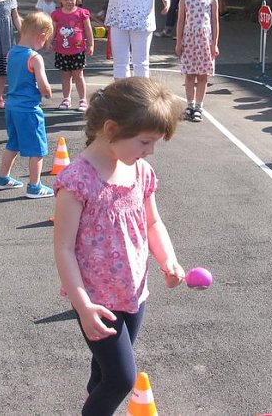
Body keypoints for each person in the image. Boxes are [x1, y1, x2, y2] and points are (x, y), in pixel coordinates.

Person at [52, 77, 187, 416]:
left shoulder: (140, 171)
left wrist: (168, 260)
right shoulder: (78, 181)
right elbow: (63, 249)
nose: (150, 151)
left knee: (103, 371)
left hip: (134, 292)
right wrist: (84, 307)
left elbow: (152, 222)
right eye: (145, 142)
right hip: (98, 300)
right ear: (111, 128)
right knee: (120, 378)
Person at [0, 12, 55, 198]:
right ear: (41, 36)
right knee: (37, 148)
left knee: (13, 143)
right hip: (28, 109)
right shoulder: (34, 58)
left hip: (12, 106)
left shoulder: (12, 52)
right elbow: (43, 85)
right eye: (45, 40)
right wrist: (48, 92)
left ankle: (2, 178)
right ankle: (35, 186)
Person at [175, 0, 220, 122]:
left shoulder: (212, 0)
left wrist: (215, 43)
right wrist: (179, 42)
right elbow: (180, 21)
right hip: (190, 40)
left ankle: (199, 106)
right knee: (189, 75)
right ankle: (190, 105)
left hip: (205, 41)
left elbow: (215, 22)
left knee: (203, 75)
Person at [51, 0, 94, 112]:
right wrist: (48, 42)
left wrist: (91, 44)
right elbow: (53, 30)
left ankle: (82, 100)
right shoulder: (56, 14)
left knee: (78, 75)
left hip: (78, 50)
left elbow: (88, 30)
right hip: (62, 51)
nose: (70, 2)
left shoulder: (82, 13)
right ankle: (66, 99)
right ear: (60, 0)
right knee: (65, 75)